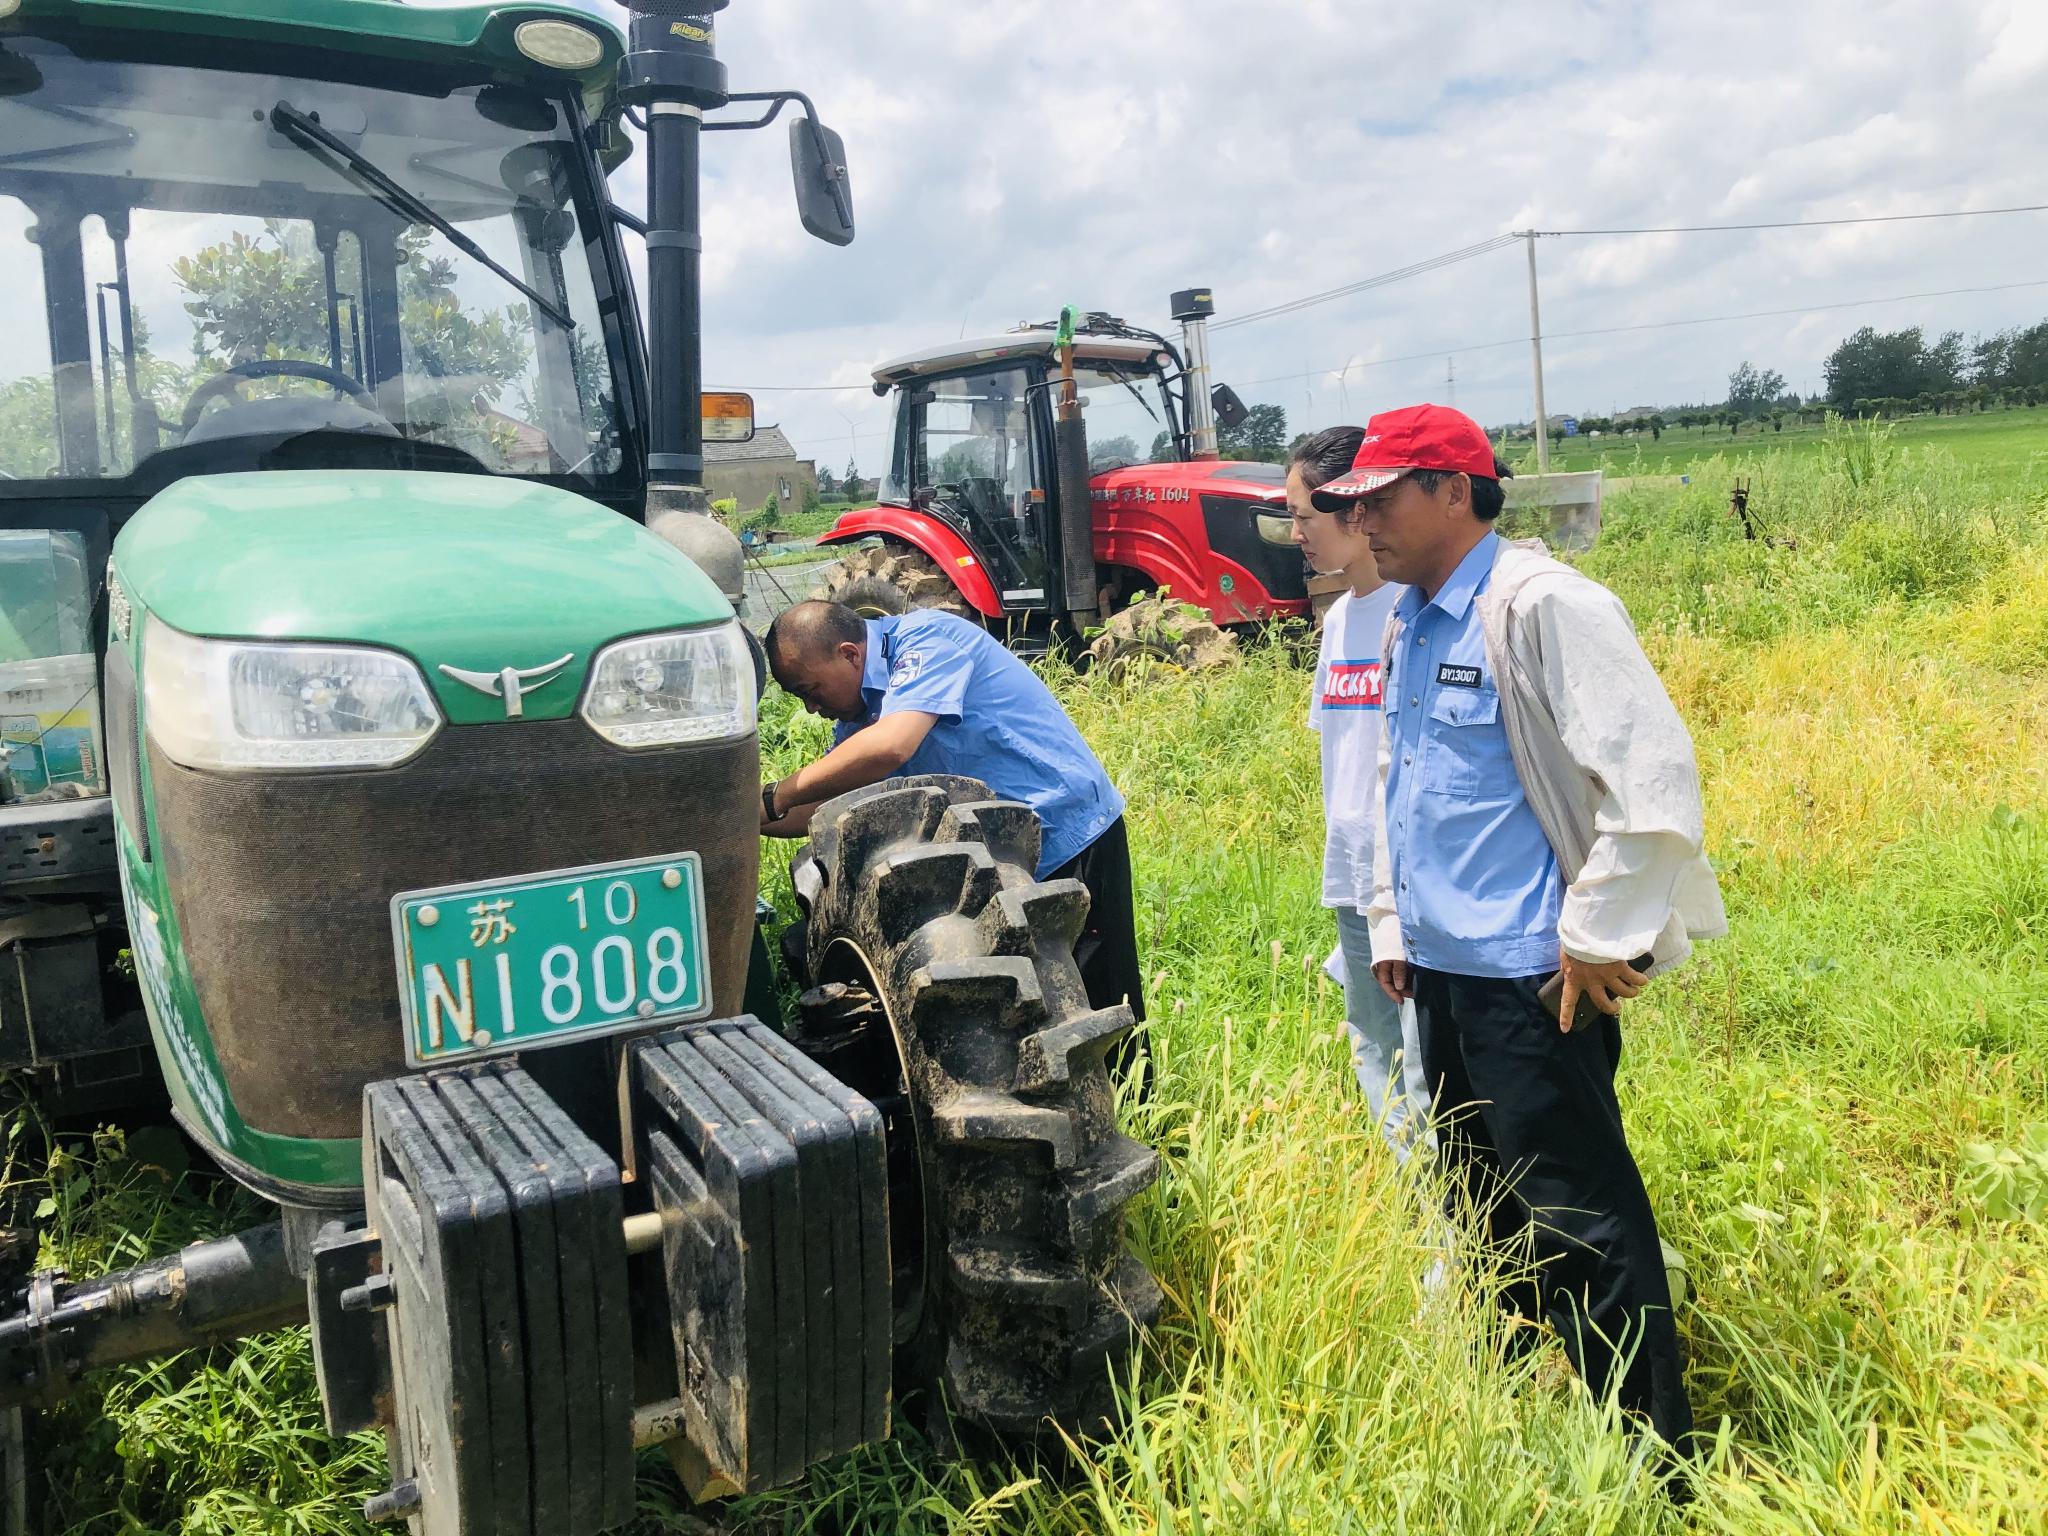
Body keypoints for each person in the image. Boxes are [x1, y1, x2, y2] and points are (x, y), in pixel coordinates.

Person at [1323, 403, 1725, 1452]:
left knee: (1577, 1218)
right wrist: (1388, 924)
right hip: (1443, 976)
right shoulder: (1411, 615)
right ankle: (1524, 1420)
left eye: (1378, 498)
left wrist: (1595, 932)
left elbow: (1652, 776)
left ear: (1452, 490)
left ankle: (1648, 1461)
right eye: (1349, 503)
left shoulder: (1539, 604)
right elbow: (1396, 784)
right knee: (1479, 1210)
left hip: (1528, 979)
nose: (1359, 520)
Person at [760, 599, 1146, 1035]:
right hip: (996, 854)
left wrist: (778, 793)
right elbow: (828, 805)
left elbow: (892, 746)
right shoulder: (860, 715)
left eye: (809, 691)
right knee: (1032, 1010)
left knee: (1097, 1002)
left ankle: (1135, 1100)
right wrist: (751, 816)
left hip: (1064, 830)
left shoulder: (926, 640)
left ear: (849, 654)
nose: (811, 709)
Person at [1287, 427, 1427, 1159]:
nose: (1295, 533)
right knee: (1374, 1053)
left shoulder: (1415, 611)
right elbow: (1339, 753)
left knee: (1424, 1058)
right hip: (1350, 874)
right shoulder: (1338, 619)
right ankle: (1414, 1219)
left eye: (1305, 516)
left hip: (1406, 883)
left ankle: (1453, 1231)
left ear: (1352, 508)